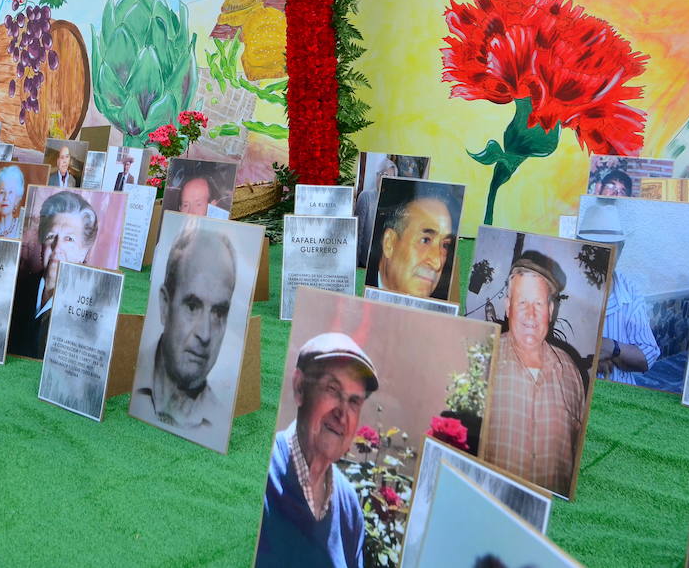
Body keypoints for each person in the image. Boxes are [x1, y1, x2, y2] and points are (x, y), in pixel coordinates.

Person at [256, 332, 379, 568]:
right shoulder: (258, 473)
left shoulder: (349, 507)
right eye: (332, 389)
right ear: (300, 388)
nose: (342, 414)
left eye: (354, 401)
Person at [483, 251, 587, 497]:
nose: (531, 314)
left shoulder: (571, 373)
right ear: (508, 307)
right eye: (522, 302)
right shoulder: (481, 360)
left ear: (550, 310)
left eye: (539, 304)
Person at [131, 222, 238, 437]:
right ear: (164, 305)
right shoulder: (126, 383)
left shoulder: (220, 424)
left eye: (218, 313)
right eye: (192, 307)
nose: (205, 334)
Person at [9, 191, 98, 359]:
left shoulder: (91, 307)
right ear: (42, 243)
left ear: (84, 251)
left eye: (69, 239)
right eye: (51, 236)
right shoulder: (19, 287)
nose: (57, 248)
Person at [577, 203, 659, 383]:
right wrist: (587, 356)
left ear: (621, 249)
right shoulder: (563, 285)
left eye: (609, 249)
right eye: (595, 248)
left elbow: (647, 357)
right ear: (580, 248)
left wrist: (611, 347)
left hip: (619, 390)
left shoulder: (630, 290)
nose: (602, 257)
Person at [369, 193, 457, 300]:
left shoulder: (444, 302)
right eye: (425, 240)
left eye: (445, 245)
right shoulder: (358, 289)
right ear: (389, 243)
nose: (437, 264)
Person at [354, 156, 398, 271]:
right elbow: (358, 234)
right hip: (364, 263)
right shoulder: (366, 197)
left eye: (388, 176)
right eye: (381, 174)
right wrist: (356, 265)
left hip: (385, 266)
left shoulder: (396, 202)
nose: (383, 178)